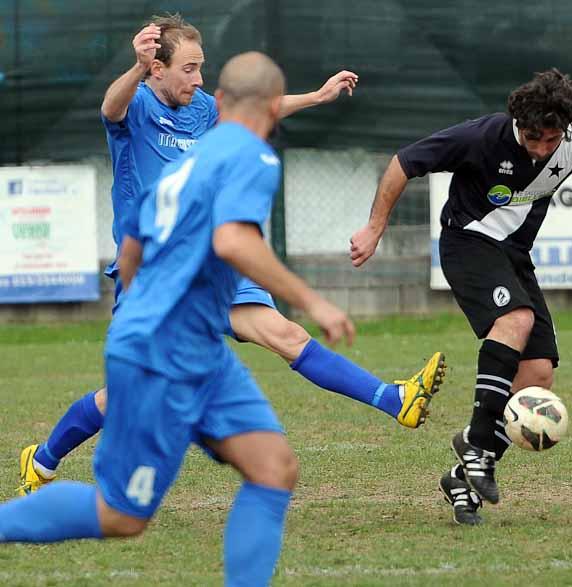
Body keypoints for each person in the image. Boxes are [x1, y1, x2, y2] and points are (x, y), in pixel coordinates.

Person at [18, 13, 445, 496]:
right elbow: (109, 108)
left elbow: (260, 108)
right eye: (189, 68)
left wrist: (318, 96)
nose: (199, 79)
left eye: (201, 68)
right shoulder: (134, 103)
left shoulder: (202, 108)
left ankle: (395, 399)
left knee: (285, 334)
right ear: (157, 68)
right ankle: (44, 458)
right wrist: (134, 69)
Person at [1, 51, 335, 585]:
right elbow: (233, 239)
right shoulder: (255, 158)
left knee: (274, 468)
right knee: (121, 515)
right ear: (275, 108)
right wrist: (312, 301)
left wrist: (143, 298)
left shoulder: (191, 159)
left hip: (197, 349)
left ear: (220, 102)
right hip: (162, 350)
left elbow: (133, 235)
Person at [350, 69, 572, 525]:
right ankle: (477, 447)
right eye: (532, 138)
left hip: (513, 256)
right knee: (514, 319)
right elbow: (404, 162)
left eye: (549, 140)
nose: (539, 148)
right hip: (467, 243)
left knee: (535, 378)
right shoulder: (481, 138)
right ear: (518, 123)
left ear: (565, 130)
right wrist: (376, 227)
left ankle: (462, 477)